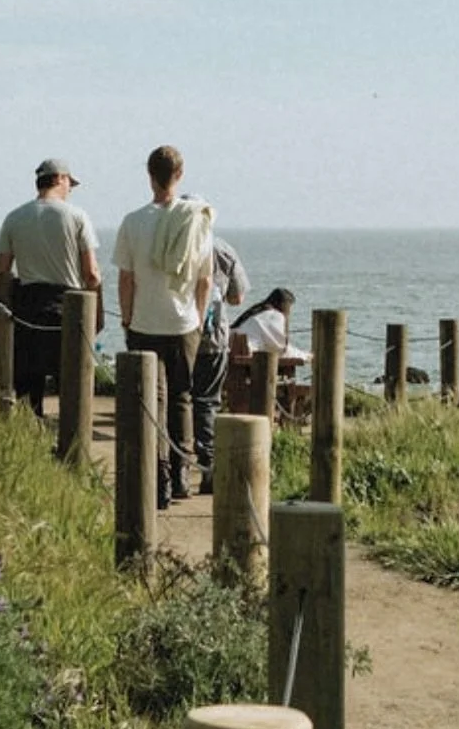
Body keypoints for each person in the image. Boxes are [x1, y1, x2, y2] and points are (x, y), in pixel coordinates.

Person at [113, 146, 213, 508]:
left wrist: (126, 317)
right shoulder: (197, 221)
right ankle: (182, 474)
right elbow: (205, 280)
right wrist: (199, 319)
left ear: (149, 175)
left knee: (150, 404)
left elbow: (126, 278)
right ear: (180, 175)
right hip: (184, 322)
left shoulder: (133, 221)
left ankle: (157, 480)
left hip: (145, 321)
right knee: (182, 399)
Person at [0, 158, 102, 417]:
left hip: (27, 306)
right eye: (70, 183)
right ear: (60, 179)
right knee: (71, 383)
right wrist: (96, 310)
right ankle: (72, 445)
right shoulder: (77, 216)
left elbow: (1, 271)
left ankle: (29, 440)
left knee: (29, 386)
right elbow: (91, 273)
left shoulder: (14, 217)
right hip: (67, 306)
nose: (70, 189)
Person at [183, 199, 250, 496]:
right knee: (207, 403)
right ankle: (209, 468)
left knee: (176, 400)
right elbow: (238, 297)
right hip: (212, 338)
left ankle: (177, 471)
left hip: (176, 333)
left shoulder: (170, 244)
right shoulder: (222, 248)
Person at [231, 288, 311, 363]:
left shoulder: (257, 311)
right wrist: (304, 356)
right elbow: (280, 348)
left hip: (232, 352)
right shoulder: (274, 315)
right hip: (246, 357)